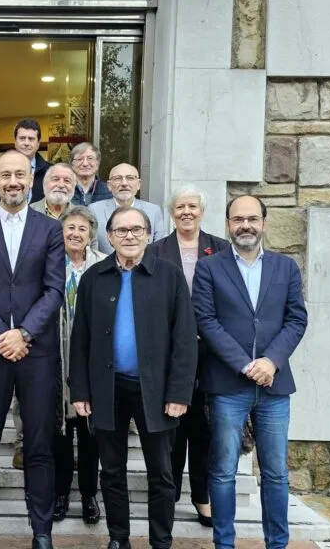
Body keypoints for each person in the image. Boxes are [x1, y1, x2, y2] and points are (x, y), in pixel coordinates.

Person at [69, 206, 198, 549]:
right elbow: (80, 339)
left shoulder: (169, 276)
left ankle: (161, 541)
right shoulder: (94, 277)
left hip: (155, 390)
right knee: (112, 471)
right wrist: (79, 390)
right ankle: (118, 538)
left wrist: (179, 393)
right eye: (121, 231)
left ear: (149, 235)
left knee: (162, 473)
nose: (129, 236)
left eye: (136, 230)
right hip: (107, 388)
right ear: (109, 237)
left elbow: (185, 339)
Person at [192, 195, 308, 549]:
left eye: (253, 219)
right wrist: (245, 364)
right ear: (228, 224)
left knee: (276, 473)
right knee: (223, 471)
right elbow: (206, 320)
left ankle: (277, 544)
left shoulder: (285, 267)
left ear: (264, 223)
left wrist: (271, 361)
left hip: (275, 386)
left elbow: (296, 319)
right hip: (228, 384)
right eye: (238, 219)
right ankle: (224, 543)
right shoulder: (209, 267)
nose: (246, 225)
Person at [0, 150, 65, 549]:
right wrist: (1, 336)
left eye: (20, 174)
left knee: (39, 447)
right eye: (5, 175)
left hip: (35, 353)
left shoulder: (50, 229)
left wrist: (23, 334)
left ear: (31, 177)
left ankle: (41, 532)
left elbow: (53, 289)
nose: (13, 182)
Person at [149, 185, 229, 527]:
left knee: (203, 428)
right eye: (180, 207)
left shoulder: (221, 249)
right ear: (171, 212)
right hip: (169, 352)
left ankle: (202, 495)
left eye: (192, 207)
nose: (186, 212)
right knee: (171, 426)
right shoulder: (156, 250)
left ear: (202, 212)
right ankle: (169, 494)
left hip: (211, 352)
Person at [2, 162, 79, 470]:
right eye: (55, 178)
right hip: (31, 316)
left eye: (67, 180)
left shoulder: (81, 215)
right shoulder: (26, 212)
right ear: (41, 183)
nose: (61, 183)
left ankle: (63, 444)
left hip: (69, 311)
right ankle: (24, 443)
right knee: (24, 387)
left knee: (66, 380)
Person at [52, 206, 105, 525]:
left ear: (91, 234)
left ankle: (88, 495)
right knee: (59, 434)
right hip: (57, 358)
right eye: (70, 228)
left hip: (91, 361)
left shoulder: (103, 264)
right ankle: (60, 494)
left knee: (90, 435)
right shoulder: (49, 264)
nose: (75, 233)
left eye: (82, 229)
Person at [91, 163, 164, 254]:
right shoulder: (94, 210)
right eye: (118, 178)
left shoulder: (154, 211)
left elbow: (159, 249)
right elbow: (92, 249)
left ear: (138, 184)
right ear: (109, 185)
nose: (124, 183)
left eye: (130, 178)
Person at [0, 118, 50, 207]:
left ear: (38, 143)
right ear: (15, 142)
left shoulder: (50, 172)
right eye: (22, 138)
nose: (26, 143)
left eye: (31, 139)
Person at [68, 143, 113, 207]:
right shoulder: (65, 189)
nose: (85, 164)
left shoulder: (110, 190)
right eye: (79, 159)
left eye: (90, 158)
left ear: (98, 163)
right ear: (72, 164)